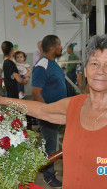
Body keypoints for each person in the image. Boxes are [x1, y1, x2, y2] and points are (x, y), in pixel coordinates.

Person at [0, 34, 107, 189]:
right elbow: (41, 110)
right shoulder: (75, 105)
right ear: (85, 70)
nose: (100, 71)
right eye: (95, 63)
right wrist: (2, 100)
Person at [32, 35, 67, 188]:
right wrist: (47, 113)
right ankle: (49, 176)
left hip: (58, 113)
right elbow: (35, 92)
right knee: (50, 146)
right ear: (52, 48)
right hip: (49, 114)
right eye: (59, 45)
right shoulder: (42, 66)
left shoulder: (53, 63)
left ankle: (46, 168)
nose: (61, 47)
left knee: (52, 143)